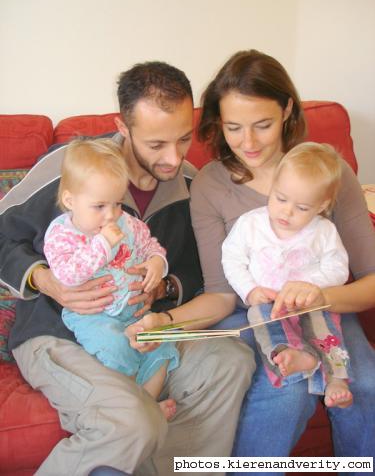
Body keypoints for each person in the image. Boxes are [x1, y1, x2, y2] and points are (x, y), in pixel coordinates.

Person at [0, 61, 254, 475]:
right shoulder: (73, 165)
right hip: (58, 330)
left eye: (184, 139)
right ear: (123, 126)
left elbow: (199, 273)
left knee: (231, 362)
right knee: (131, 419)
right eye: (156, 144)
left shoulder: (192, 186)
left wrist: (165, 286)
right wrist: (48, 281)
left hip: (142, 326)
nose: (173, 158)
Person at [180, 49, 374, 471]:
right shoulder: (211, 185)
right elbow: (220, 292)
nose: (248, 143)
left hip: (325, 310)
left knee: (367, 384)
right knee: (286, 389)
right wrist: (168, 323)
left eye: (262, 125)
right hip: (253, 310)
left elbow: (370, 280)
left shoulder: (325, 170)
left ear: (287, 109)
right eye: (233, 128)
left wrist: (317, 295)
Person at [44, 138, 178, 419]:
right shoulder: (61, 234)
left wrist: (156, 261)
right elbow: (68, 274)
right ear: (71, 200)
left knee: (161, 344)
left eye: (117, 203)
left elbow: (150, 244)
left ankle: (146, 404)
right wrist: (102, 245)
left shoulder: (127, 223)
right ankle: (130, 408)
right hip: (93, 316)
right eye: (100, 206)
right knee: (114, 347)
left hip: (133, 312)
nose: (111, 215)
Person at [222, 141, 352, 408]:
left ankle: (336, 377)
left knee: (325, 328)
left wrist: (311, 287)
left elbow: (339, 267)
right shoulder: (251, 224)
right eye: (280, 198)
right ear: (273, 187)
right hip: (269, 304)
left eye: (302, 208)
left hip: (310, 304)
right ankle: (292, 355)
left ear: (321, 205)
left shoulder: (323, 231)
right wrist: (249, 290)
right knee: (260, 319)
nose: (287, 211)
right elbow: (232, 259)